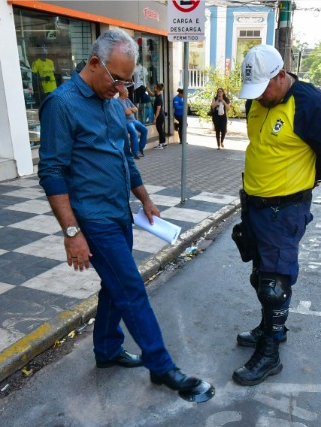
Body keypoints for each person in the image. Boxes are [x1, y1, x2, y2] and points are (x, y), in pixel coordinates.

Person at [36, 29, 213, 402]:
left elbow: (124, 157)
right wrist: (72, 233)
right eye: (116, 79)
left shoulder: (114, 103)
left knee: (114, 285)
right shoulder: (61, 104)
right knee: (130, 288)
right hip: (93, 219)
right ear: (94, 63)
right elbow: (51, 172)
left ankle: (106, 348)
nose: (121, 89)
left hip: (121, 212)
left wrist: (145, 198)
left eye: (127, 82)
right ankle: (162, 366)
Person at [232, 44, 321, 386]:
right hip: (255, 205)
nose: (258, 97)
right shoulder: (257, 100)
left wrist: (303, 181)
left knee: (274, 283)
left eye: (264, 88)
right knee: (260, 275)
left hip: (285, 209)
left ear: (281, 75)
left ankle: (270, 354)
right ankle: (271, 328)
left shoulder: (311, 104)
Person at [118, 84, 147, 159]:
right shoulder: (119, 101)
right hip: (127, 122)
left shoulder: (127, 100)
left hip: (134, 120)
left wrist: (130, 109)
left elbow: (136, 109)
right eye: (127, 92)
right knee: (134, 132)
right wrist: (131, 109)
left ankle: (140, 148)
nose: (128, 93)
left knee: (144, 130)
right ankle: (135, 153)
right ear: (123, 93)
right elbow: (127, 112)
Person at [152, 83, 167, 150]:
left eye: (155, 88)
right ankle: (163, 143)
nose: (154, 88)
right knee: (160, 130)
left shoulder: (159, 98)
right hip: (160, 115)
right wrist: (147, 88)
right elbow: (151, 94)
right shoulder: (158, 95)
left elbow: (158, 110)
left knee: (159, 130)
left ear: (158, 89)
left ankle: (161, 144)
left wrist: (155, 118)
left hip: (159, 116)